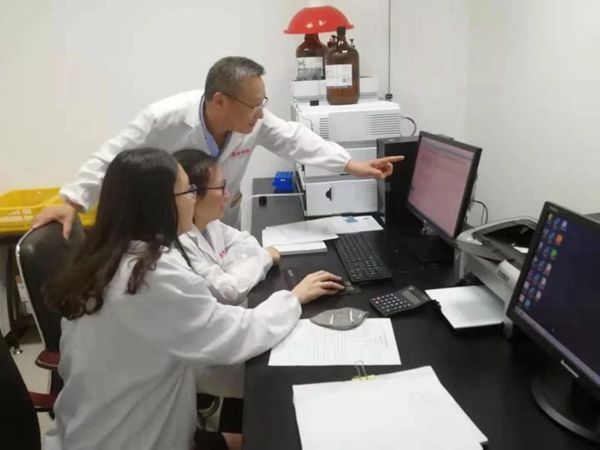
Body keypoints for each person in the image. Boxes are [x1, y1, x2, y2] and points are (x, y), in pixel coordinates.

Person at [42, 148, 344, 450]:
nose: (193, 198)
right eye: (187, 191)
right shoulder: (152, 275)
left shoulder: (103, 260)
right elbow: (234, 336)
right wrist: (293, 299)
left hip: (90, 429)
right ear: (160, 203)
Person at [32, 56, 403, 236]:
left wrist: (351, 165)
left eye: (263, 102)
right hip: (169, 226)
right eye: (253, 104)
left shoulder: (252, 121)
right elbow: (114, 157)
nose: (261, 112)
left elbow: (294, 138)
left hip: (222, 222)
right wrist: (72, 202)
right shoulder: (164, 118)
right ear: (220, 101)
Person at [175, 148, 278, 306]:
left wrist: (228, 270)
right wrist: (265, 256)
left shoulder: (210, 224)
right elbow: (230, 292)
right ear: (192, 193)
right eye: (220, 187)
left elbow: (245, 240)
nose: (227, 194)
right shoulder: (180, 246)